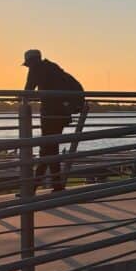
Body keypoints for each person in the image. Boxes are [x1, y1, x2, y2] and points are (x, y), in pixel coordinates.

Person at [22, 49, 83, 192]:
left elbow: (28, 91)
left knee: (47, 148)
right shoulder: (53, 67)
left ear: (30, 61)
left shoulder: (35, 69)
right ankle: (54, 185)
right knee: (51, 148)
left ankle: (34, 187)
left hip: (50, 114)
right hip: (62, 114)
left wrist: (20, 98)